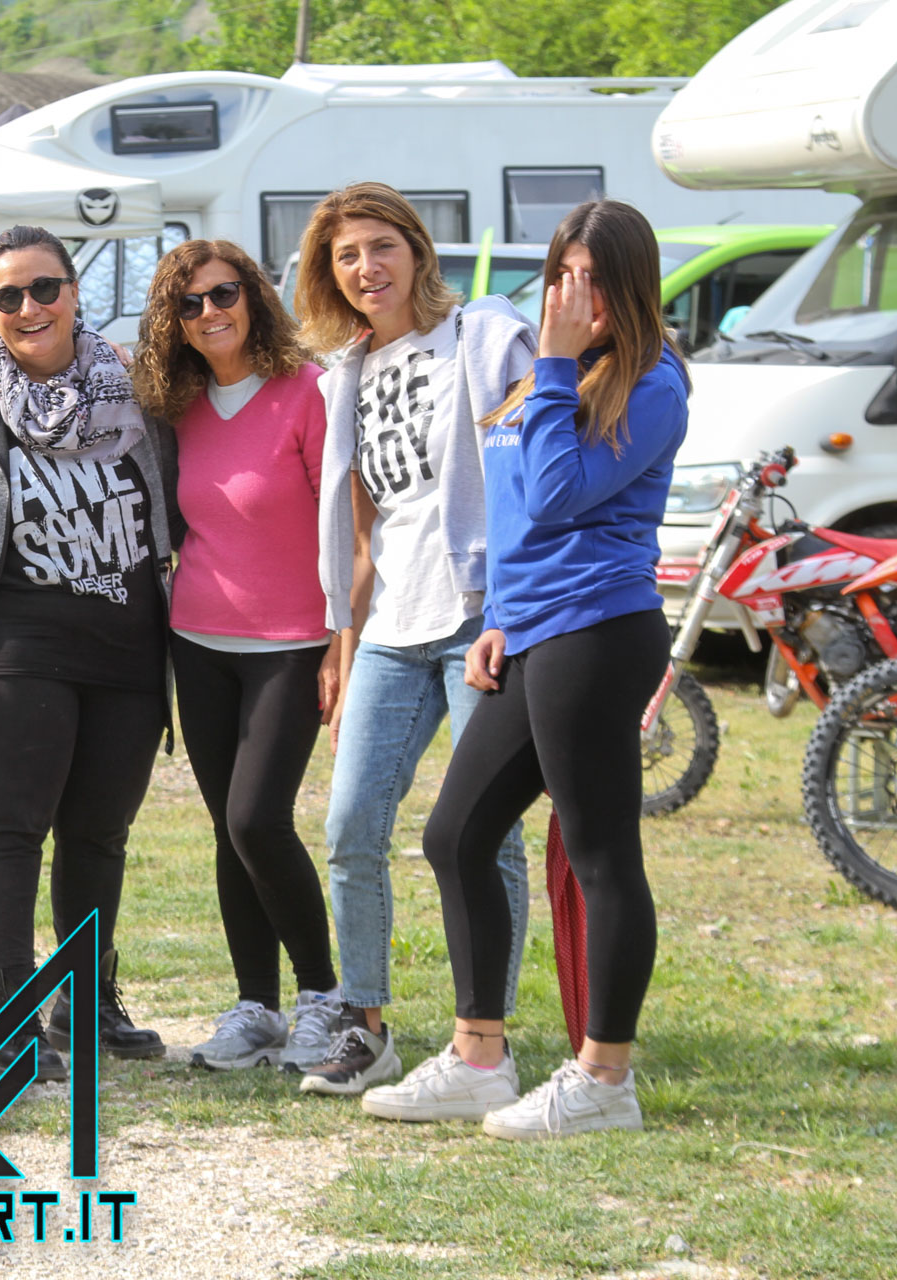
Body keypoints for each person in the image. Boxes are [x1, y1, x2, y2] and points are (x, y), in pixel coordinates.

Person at [365, 200, 687, 1139]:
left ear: (629, 285)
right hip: (532, 631)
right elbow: (511, 515)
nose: (571, 296)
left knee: (599, 851)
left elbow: (554, 494)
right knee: (456, 834)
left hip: (600, 628)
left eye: (592, 279)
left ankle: (605, 1078)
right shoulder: (557, 374)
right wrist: (499, 617)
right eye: (561, 276)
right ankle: (478, 1058)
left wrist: (552, 361)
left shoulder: (652, 382)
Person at [291, 182, 536, 1096]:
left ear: (417, 249)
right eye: (347, 256)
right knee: (351, 825)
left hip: (479, 615)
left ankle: (486, 1039)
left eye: (381, 246)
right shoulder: (346, 376)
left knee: (487, 834)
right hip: (393, 627)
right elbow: (366, 530)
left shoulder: (482, 337)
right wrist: (343, 641)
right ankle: (366, 1028)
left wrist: (513, 608)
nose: (367, 268)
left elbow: (531, 473)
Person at [0, 224, 172, 1074]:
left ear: (73, 292)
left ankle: (87, 1003)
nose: (29, 307)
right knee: (11, 830)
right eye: (7, 296)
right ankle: (11, 1016)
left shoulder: (138, 394)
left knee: (99, 837)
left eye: (44, 288)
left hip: (128, 656)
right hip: (20, 654)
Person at [130, 239, 345, 1071]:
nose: (209, 313)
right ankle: (256, 1007)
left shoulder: (309, 391)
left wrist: (342, 641)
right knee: (229, 829)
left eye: (223, 294)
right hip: (198, 643)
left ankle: (322, 997)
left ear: (253, 296)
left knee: (259, 819)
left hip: (292, 645)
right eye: (188, 304)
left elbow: (346, 528)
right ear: (173, 322)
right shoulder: (177, 407)